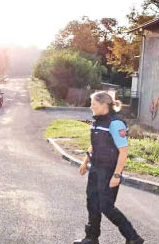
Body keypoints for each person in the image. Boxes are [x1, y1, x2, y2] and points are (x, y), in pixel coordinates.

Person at [73, 91, 144, 244]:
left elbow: (124, 151)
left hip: (109, 171)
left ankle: (133, 237)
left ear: (104, 105)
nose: (91, 106)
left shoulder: (115, 123)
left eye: (94, 104)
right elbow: (95, 144)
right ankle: (91, 238)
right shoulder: (97, 121)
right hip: (95, 168)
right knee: (92, 202)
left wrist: (117, 175)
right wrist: (85, 162)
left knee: (106, 206)